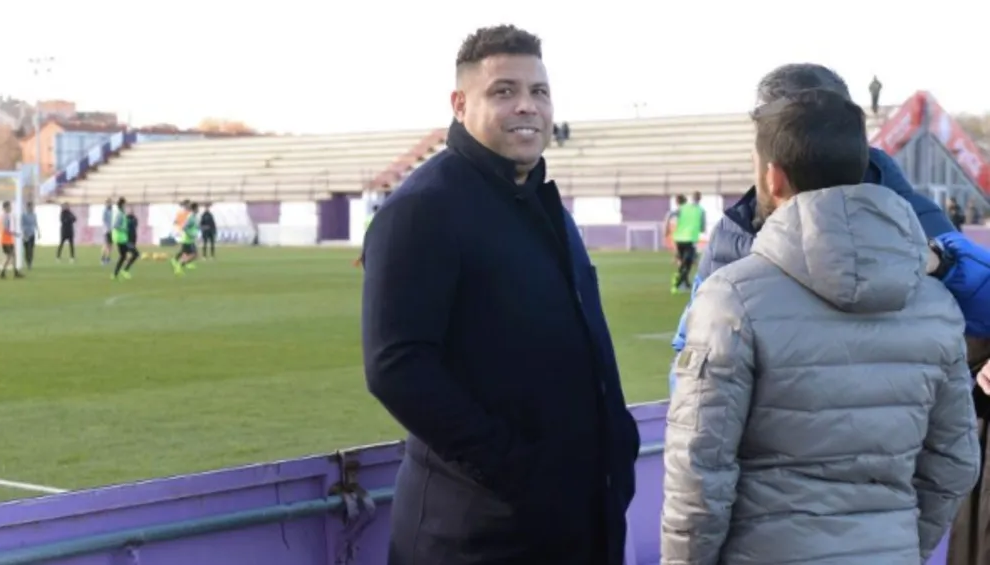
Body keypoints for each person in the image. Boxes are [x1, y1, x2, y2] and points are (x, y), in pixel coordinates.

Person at [661, 88, 980, 564]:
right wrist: (896, 546)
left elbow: (698, 469)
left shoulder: (730, 297)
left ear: (773, 177)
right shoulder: (935, 302)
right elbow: (955, 462)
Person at [361, 24, 638, 565]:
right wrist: (515, 470)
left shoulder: (542, 205)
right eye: (504, 91)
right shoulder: (424, 208)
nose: (527, 107)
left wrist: (617, 448)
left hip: (575, 522)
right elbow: (396, 366)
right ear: (460, 103)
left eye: (539, 92)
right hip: (476, 534)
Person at [668, 63, 963, 394]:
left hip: (899, 439)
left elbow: (965, 346)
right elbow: (690, 353)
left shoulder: (921, 224)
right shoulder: (734, 233)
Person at [111, 197, 139, 280]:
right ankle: (125, 270)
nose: (126, 206)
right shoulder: (120, 214)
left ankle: (115, 274)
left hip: (121, 238)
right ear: (122, 204)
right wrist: (124, 229)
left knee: (123, 256)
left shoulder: (121, 213)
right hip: (122, 239)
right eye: (125, 204)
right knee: (135, 254)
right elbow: (115, 226)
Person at [171, 201, 199, 275]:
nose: (198, 210)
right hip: (188, 239)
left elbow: (193, 227)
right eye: (197, 208)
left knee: (186, 253)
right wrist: (191, 234)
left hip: (189, 239)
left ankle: (178, 265)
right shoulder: (191, 217)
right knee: (194, 254)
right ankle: (179, 265)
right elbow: (184, 227)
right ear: (194, 209)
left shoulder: (193, 217)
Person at [0, 201, 22, 279]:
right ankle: (2, 273)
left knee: (13, 255)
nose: (11, 208)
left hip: (8, 239)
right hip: (5, 240)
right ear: (5, 208)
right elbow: (5, 229)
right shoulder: (4, 217)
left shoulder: (6, 216)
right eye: (9, 206)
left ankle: (15, 272)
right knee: (9, 256)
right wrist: (15, 234)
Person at [21, 201, 38, 270]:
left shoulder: (34, 215)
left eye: (32, 207)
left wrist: (38, 232)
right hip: (26, 234)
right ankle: (28, 262)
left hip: (32, 234)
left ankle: (30, 263)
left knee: (31, 249)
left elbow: (35, 223)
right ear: (27, 207)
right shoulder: (24, 215)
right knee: (27, 249)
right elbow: (22, 224)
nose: (31, 208)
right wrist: (24, 233)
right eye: (30, 207)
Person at [101, 198, 113, 265]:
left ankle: (108, 258)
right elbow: (104, 221)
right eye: (108, 203)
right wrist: (107, 229)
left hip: (111, 230)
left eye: (110, 202)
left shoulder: (111, 210)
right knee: (106, 245)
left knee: (110, 245)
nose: (110, 204)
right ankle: (103, 258)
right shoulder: (105, 211)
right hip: (107, 230)